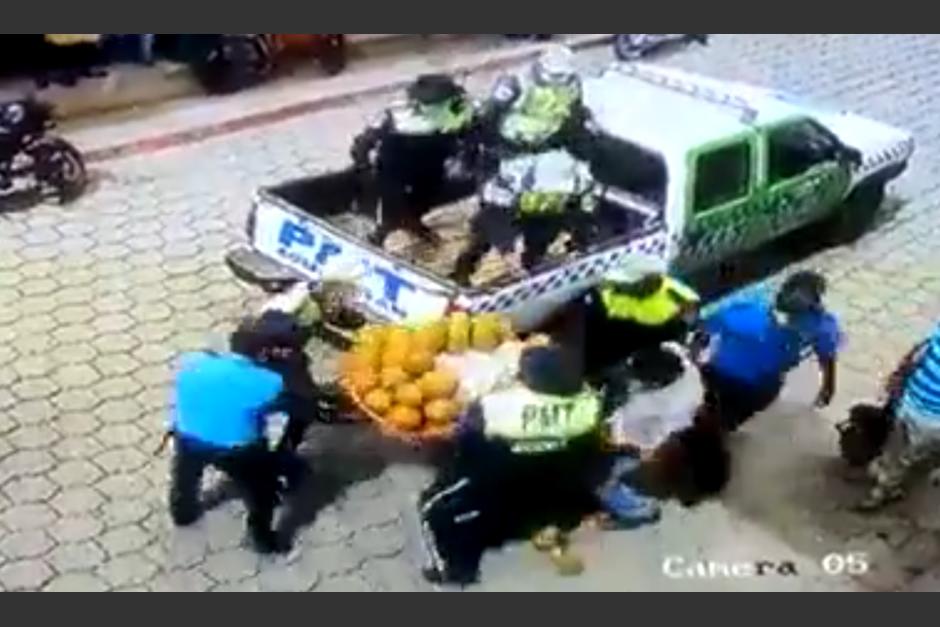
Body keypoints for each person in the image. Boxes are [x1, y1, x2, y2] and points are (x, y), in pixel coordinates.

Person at [418, 345, 605, 587]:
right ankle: (540, 521)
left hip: (496, 471)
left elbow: (464, 437)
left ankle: (453, 571)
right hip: (550, 475)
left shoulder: (496, 406)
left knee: (431, 508)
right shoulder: (588, 404)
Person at [167, 317, 300, 555]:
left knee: (185, 477)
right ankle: (260, 538)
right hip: (237, 449)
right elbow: (277, 409)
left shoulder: (194, 364)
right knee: (262, 490)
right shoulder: (269, 381)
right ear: (263, 353)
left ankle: (182, 513)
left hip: (188, 436)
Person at [696, 271, 842, 432]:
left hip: (756, 386)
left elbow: (827, 355)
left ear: (814, 301)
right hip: (722, 373)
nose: (792, 297)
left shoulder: (820, 325)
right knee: (714, 411)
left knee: (725, 419)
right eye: (789, 290)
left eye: (800, 295)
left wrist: (828, 387)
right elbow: (704, 328)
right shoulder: (752, 304)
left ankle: (720, 425)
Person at [351, 73, 479, 248]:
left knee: (425, 197)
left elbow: (473, 132)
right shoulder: (397, 113)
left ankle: (413, 221)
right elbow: (364, 142)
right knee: (391, 204)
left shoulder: (459, 109)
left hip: (433, 162)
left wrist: (466, 154)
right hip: (397, 163)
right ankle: (381, 234)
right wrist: (363, 165)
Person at [452, 149, 599, 285]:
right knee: (484, 235)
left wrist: (580, 239)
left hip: (547, 220)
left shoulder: (576, 173)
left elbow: (585, 204)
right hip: (510, 215)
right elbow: (494, 208)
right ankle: (462, 274)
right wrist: (509, 245)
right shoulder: (515, 170)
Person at [857, 323, 940, 511]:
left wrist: (895, 382)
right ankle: (883, 491)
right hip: (933, 421)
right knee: (909, 457)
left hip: (909, 405)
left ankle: (881, 467)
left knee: (897, 443)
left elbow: (914, 358)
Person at [575, 255, 701, 379]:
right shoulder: (606, 290)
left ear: (648, 281)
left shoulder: (682, 302)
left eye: (627, 281)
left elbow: (686, 335)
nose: (620, 283)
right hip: (598, 336)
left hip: (634, 346)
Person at [480, 44, 590, 159]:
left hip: (550, 140)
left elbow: (575, 110)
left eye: (561, 76)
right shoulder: (517, 82)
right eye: (554, 75)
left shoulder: (572, 84)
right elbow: (492, 112)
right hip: (514, 141)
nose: (557, 80)